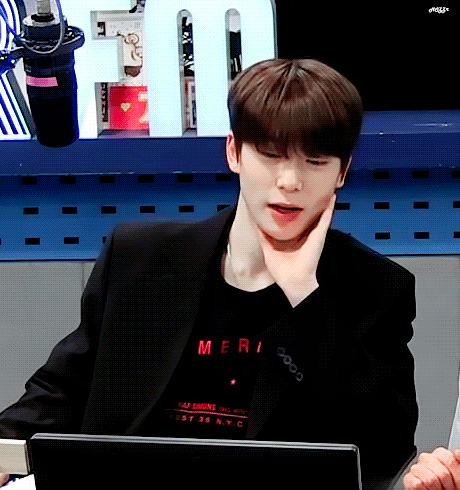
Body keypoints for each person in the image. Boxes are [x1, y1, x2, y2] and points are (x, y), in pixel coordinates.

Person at [0, 58, 418, 489]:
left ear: (342, 172)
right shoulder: (139, 258)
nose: (290, 181)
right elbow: (61, 391)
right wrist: (3, 445)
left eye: (315, 162)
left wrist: (305, 299)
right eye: (271, 156)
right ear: (234, 152)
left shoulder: (376, 288)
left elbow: (386, 448)